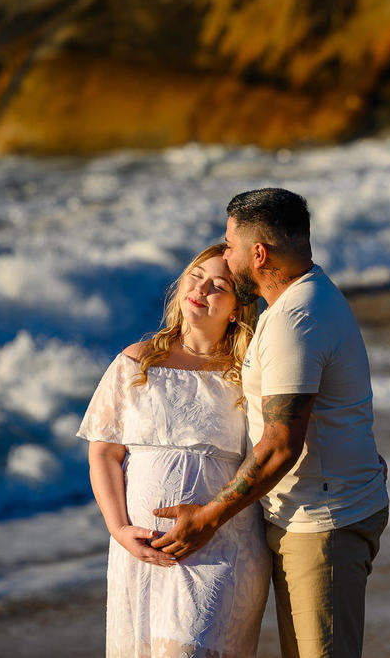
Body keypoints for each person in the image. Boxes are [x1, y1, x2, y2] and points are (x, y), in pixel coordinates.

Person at [150, 188, 390, 658]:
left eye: (230, 244)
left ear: (258, 254)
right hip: (322, 514)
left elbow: (282, 445)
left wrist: (206, 519)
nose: (225, 254)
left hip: (321, 528)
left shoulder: (293, 321)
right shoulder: (310, 296)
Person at [76, 244, 268, 658]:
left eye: (218, 285)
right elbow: (105, 452)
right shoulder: (135, 361)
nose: (201, 289)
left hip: (221, 545)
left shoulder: (249, 372)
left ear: (237, 307)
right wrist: (119, 529)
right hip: (139, 553)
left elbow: (270, 454)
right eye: (195, 276)